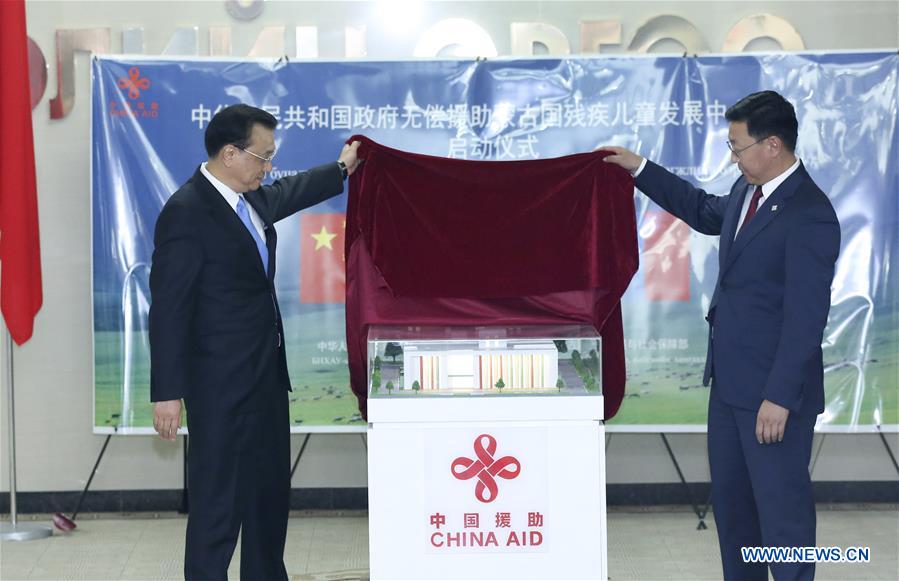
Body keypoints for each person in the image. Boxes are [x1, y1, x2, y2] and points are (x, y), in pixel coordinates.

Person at [601, 90, 840, 581]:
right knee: (736, 521)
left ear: (772, 145)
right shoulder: (745, 192)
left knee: (783, 521)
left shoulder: (809, 212)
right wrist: (638, 168)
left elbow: (805, 317)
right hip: (730, 389)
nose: (732, 157)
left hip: (773, 399)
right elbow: (700, 208)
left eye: (737, 146)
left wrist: (778, 397)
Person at [149, 103, 360, 580]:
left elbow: (292, 190)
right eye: (262, 157)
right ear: (229, 153)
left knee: (268, 499)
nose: (269, 168)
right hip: (218, 386)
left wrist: (343, 167)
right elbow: (168, 309)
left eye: (271, 156)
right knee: (218, 505)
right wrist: (167, 391)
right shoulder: (186, 212)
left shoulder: (253, 199)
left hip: (266, 378)